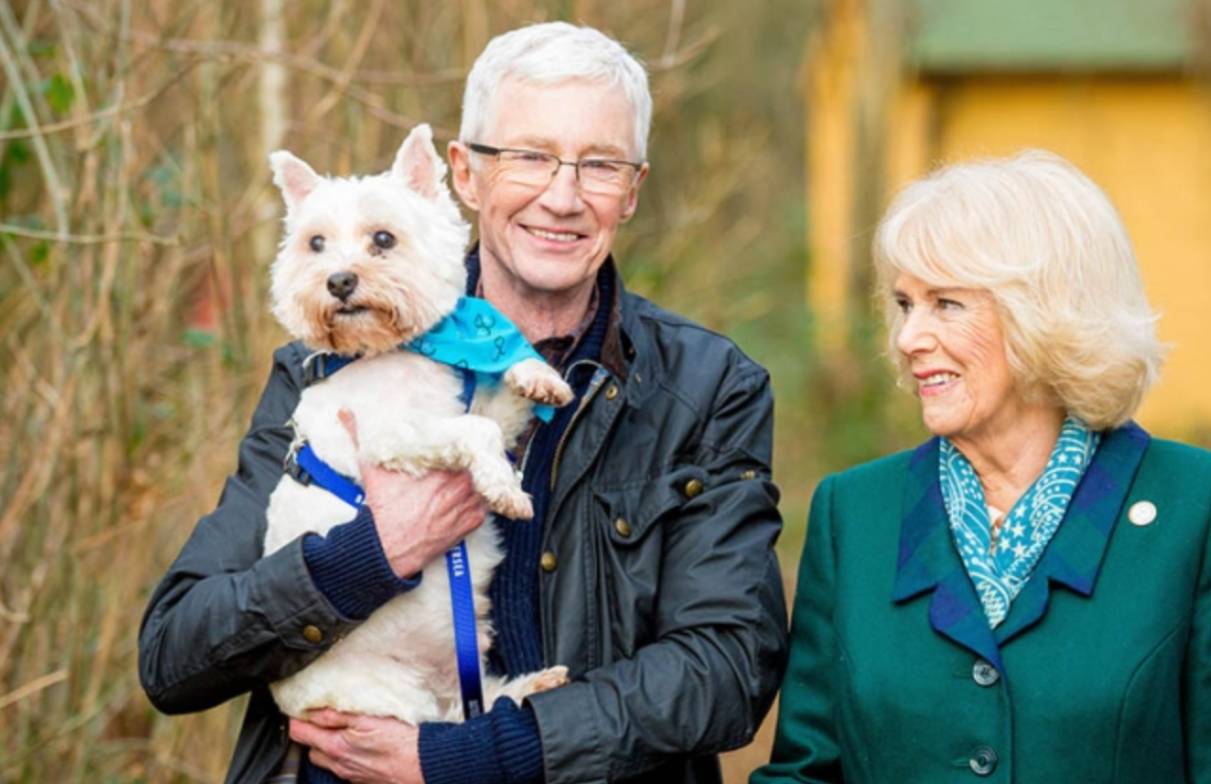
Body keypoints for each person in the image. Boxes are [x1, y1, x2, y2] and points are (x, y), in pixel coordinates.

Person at [138, 22, 787, 784]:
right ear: (464, 175)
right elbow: (176, 656)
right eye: (530, 156)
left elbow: (728, 668)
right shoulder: (324, 370)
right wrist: (370, 556)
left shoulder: (708, 389)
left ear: (633, 191)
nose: (563, 195)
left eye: (600, 164)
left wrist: (465, 758)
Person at [752, 152, 1211, 783]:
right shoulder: (855, 513)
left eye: (946, 304)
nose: (908, 337)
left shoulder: (1202, 507)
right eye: (904, 303)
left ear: (1047, 313)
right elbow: (806, 771)